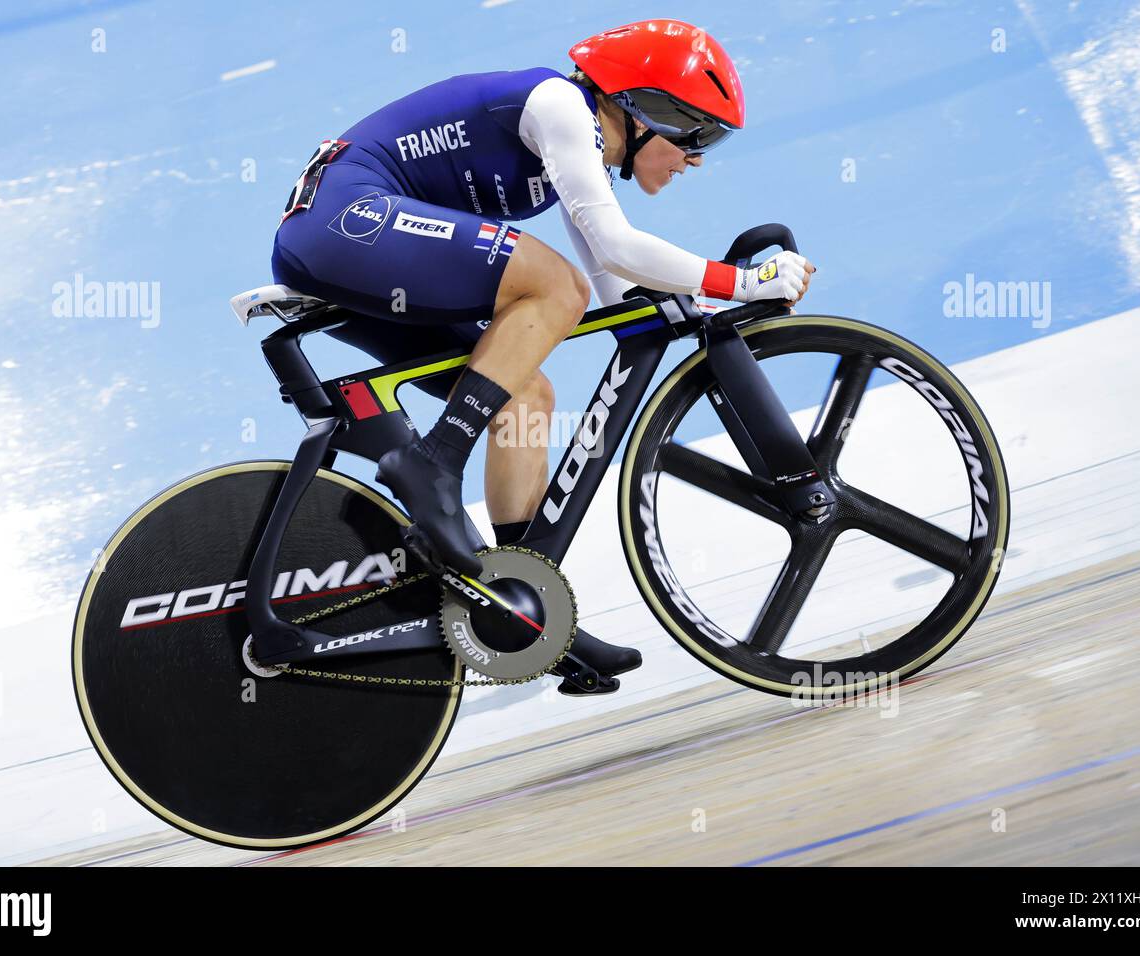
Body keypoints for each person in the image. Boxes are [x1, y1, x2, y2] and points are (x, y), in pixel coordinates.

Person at [271, 18, 815, 693]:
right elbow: (612, 250)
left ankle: (521, 601)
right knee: (555, 284)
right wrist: (743, 281)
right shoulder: (560, 105)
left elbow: (620, 284)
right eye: (696, 135)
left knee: (526, 396)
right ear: (646, 110)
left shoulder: (572, 151)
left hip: (353, 236)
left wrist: (698, 305)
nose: (696, 159)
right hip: (348, 220)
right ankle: (432, 463)